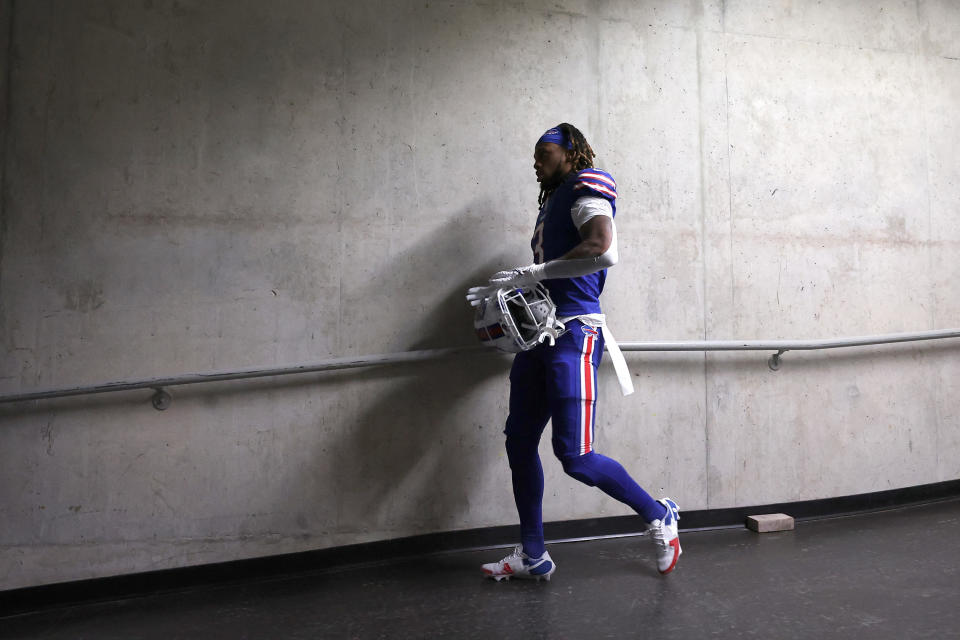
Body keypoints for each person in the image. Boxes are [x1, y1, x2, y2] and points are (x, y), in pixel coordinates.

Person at [467, 124, 681, 581]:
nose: (537, 161)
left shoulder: (585, 187)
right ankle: (533, 554)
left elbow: (603, 250)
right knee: (519, 442)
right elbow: (551, 272)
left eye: (545, 152)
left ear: (571, 152)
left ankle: (658, 514)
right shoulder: (553, 204)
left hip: (574, 333)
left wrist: (536, 270)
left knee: (576, 456)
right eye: (535, 155)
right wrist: (517, 290)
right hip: (541, 335)